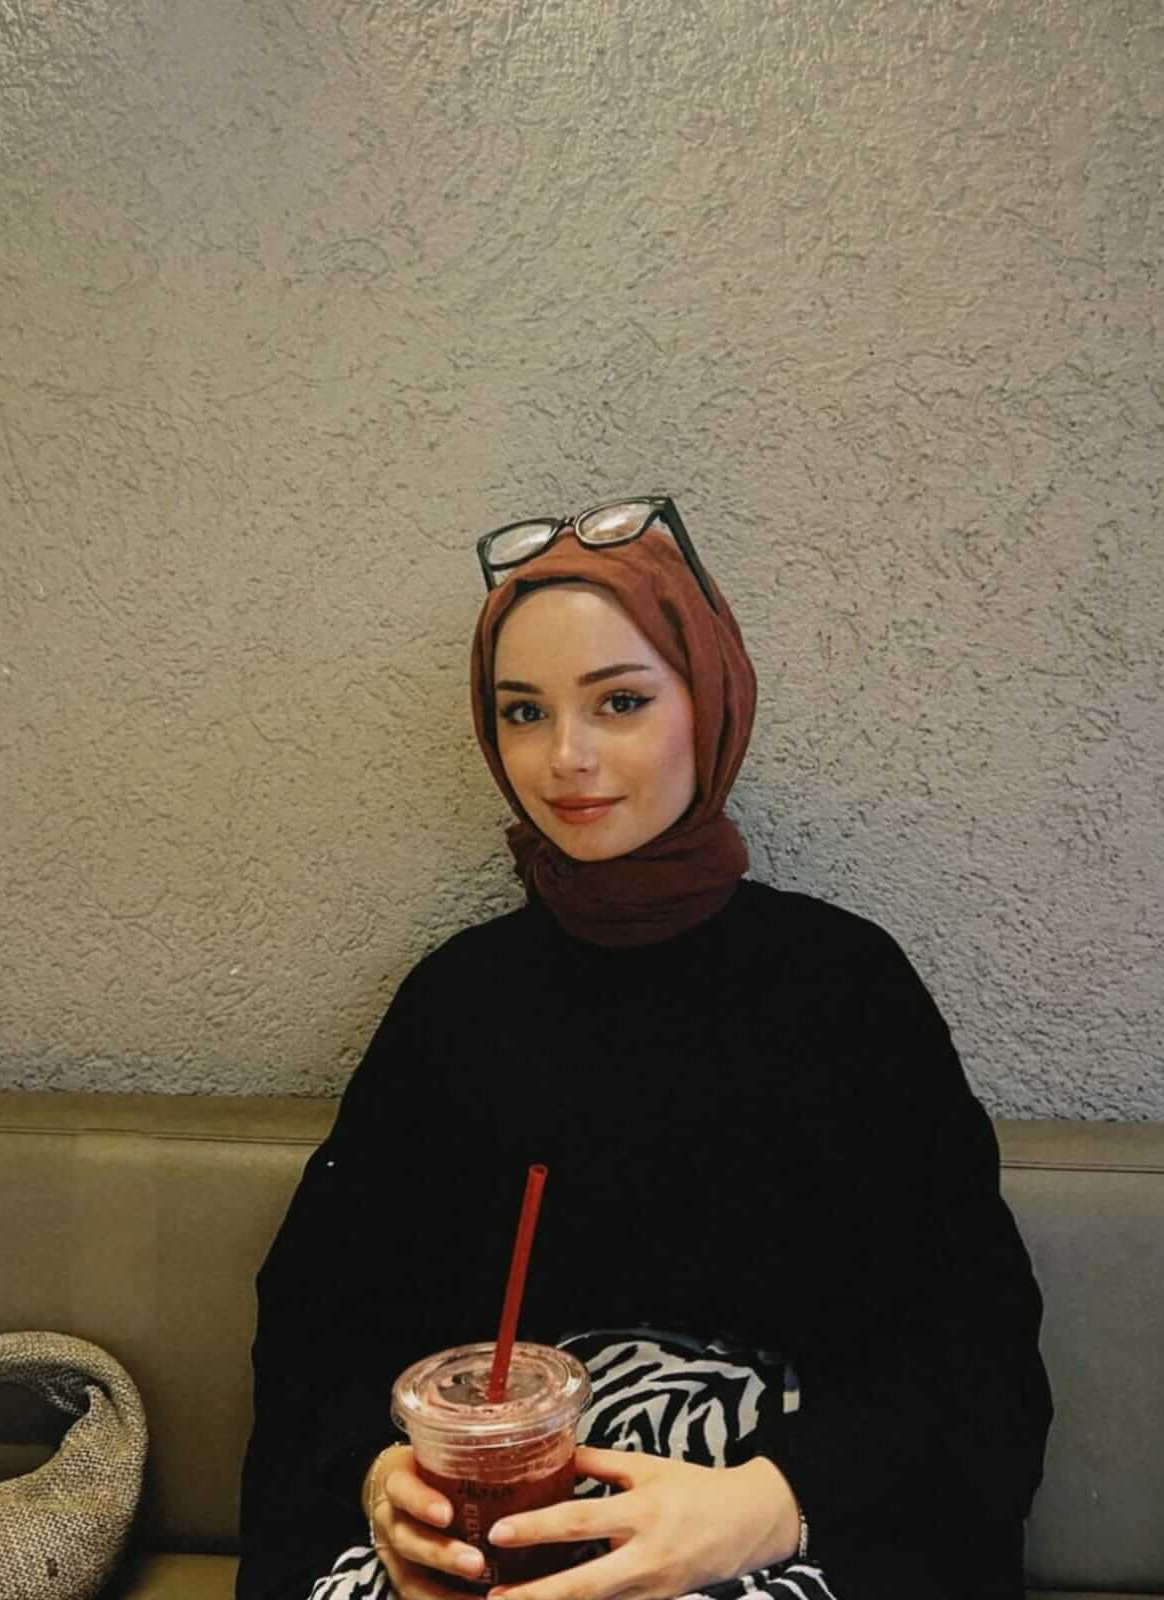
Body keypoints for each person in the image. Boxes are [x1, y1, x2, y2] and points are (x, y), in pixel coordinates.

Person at [237, 498, 1052, 1600]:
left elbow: (971, 1345)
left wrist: (764, 1507)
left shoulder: (841, 987)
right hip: (491, 1542)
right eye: (522, 712)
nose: (565, 758)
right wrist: (384, 1484)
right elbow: (321, 1325)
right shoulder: (457, 1001)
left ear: (707, 704)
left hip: (795, 1529)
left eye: (619, 701)